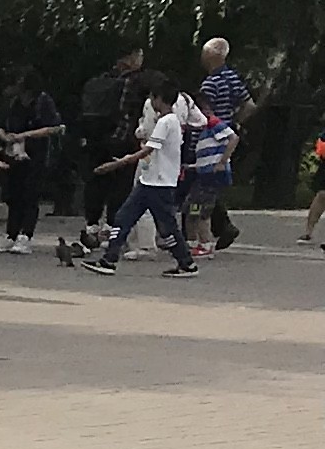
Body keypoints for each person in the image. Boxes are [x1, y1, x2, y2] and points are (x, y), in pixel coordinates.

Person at [75, 70, 203, 274]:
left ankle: (186, 262)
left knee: (167, 226)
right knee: (124, 217)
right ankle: (109, 259)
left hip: (159, 182)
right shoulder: (170, 121)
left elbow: (148, 149)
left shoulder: (166, 122)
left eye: (152, 97)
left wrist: (119, 163)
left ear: (159, 99)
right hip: (150, 180)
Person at [73, 45, 145, 241]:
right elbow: (127, 112)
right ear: (130, 58)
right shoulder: (132, 82)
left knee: (96, 180)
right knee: (120, 184)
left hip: (95, 139)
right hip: (120, 140)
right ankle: (111, 226)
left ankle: (92, 224)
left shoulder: (99, 82)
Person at [0, 73, 61, 248]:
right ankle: (11, 234)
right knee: (14, 194)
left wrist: (25, 135)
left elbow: (52, 128)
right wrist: (5, 137)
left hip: (36, 153)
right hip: (13, 152)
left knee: (31, 194)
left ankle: (26, 234)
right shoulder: (12, 103)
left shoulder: (43, 102)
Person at [190, 37, 246, 251]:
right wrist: (235, 122)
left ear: (210, 56)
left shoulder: (210, 84)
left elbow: (203, 112)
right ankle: (215, 229)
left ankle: (206, 234)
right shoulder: (233, 78)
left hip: (210, 138)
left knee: (202, 188)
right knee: (209, 188)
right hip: (226, 132)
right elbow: (249, 104)